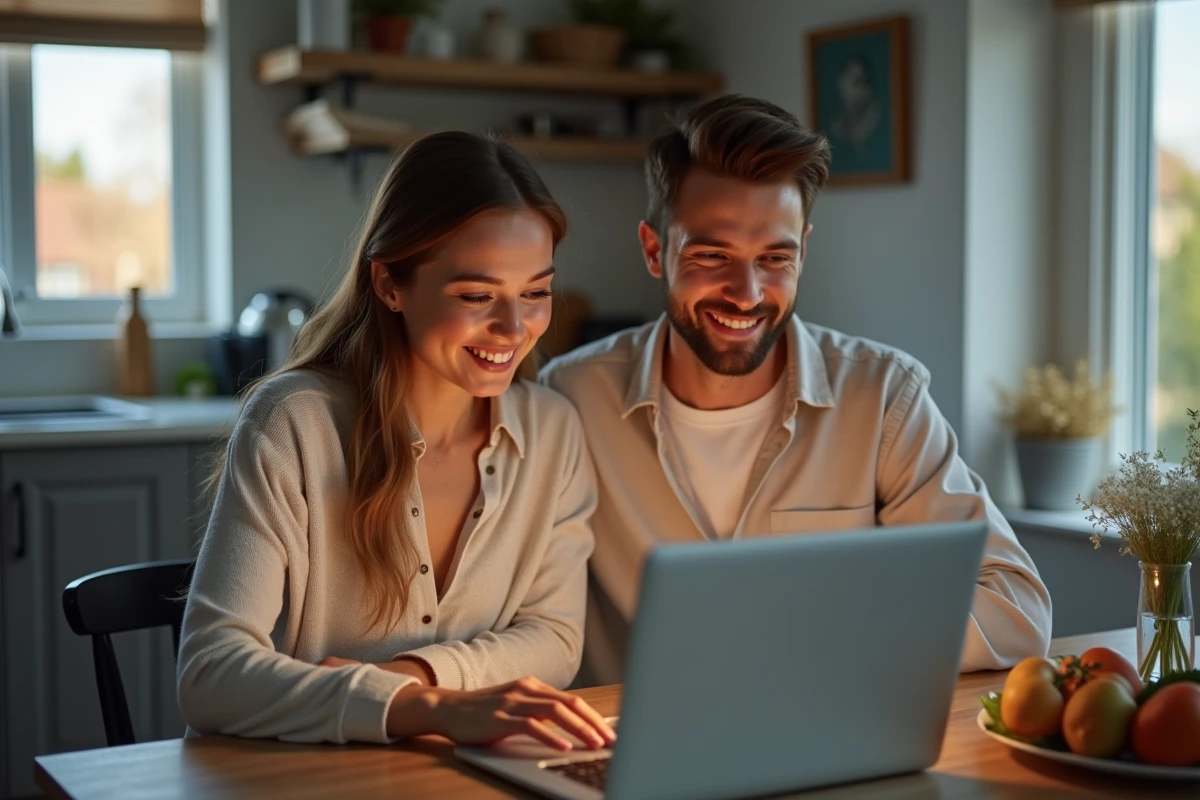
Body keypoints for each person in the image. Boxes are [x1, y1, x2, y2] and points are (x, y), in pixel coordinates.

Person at [540, 95, 1053, 686]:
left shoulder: (883, 396)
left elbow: (1015, 608)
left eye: (775, 258)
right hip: (629, 754)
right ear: (656, 251)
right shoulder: (571, 399)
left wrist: (825, 634)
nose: (747, 292)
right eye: (713, 255)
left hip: (827, 738)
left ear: (804, 250)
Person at [178, 132, 615, 753]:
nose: (515, 329)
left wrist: (409, 684)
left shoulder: (553, 429)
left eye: (536, 292)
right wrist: (432, 709)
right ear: (389, 284)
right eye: (476, 296)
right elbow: (208, 676)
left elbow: (555, 638)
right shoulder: (294, 422)